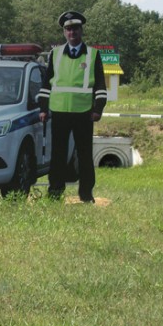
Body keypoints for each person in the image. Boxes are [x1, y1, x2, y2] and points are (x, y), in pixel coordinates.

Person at [38, 11, 107, 203]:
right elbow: (46, 84)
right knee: (57, 156)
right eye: (68, 29)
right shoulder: (56, 54)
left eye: (75, 28)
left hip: (84, 114)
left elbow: (100, 85)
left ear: (81, 30)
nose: (72, 32)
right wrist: (43, 108)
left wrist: (98, 109)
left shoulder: (93, 54)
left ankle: (86, 195)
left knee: (85, 156)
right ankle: (55, 193)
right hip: (59, 112)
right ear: (64, 32)